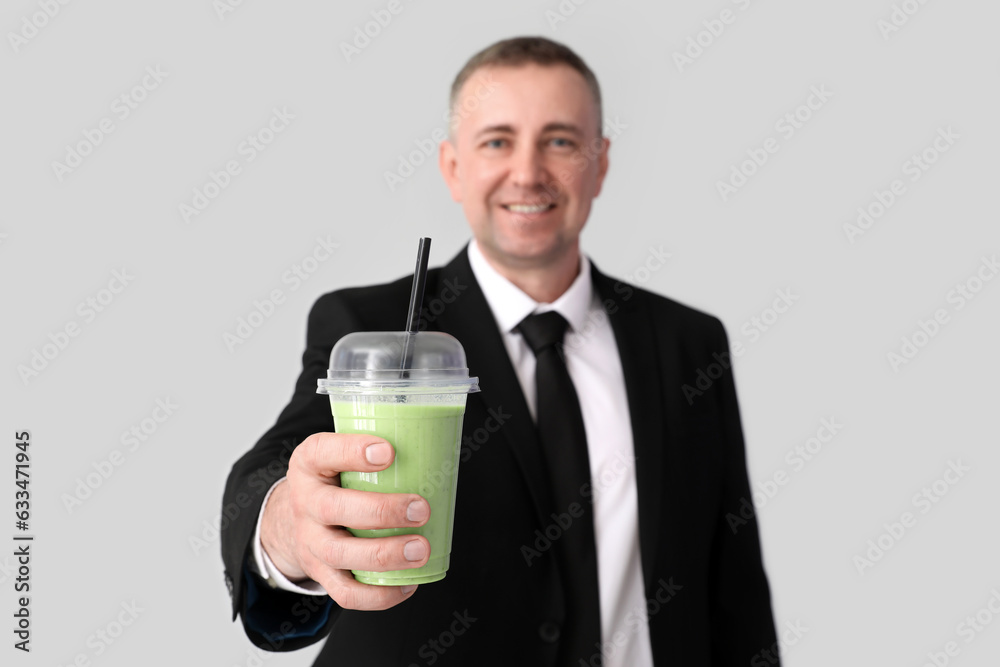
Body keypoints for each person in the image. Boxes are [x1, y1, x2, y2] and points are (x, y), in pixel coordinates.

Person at [221, 36, 780, 666]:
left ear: (600, 164)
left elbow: (734, 586)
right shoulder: (370, 327)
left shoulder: (689, 343)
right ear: (454, 167)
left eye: (561, 141)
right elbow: (273, 467)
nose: (528, 172)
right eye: (497, 141)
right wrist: (288, 532)